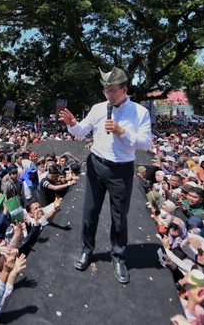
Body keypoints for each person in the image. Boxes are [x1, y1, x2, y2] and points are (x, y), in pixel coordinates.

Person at [58, 66, 152, 284]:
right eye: (105, 91)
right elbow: (82, 131)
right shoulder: (99, 108)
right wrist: (72, 124)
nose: (108, 95)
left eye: (112, 91)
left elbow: (146, 143)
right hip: (96, 165)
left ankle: (118, 257)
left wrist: (122, 132)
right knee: (89, 212)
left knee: (119, 217)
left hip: (121, 169)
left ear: (124, 89)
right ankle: (86, 250)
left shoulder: (140, 112)